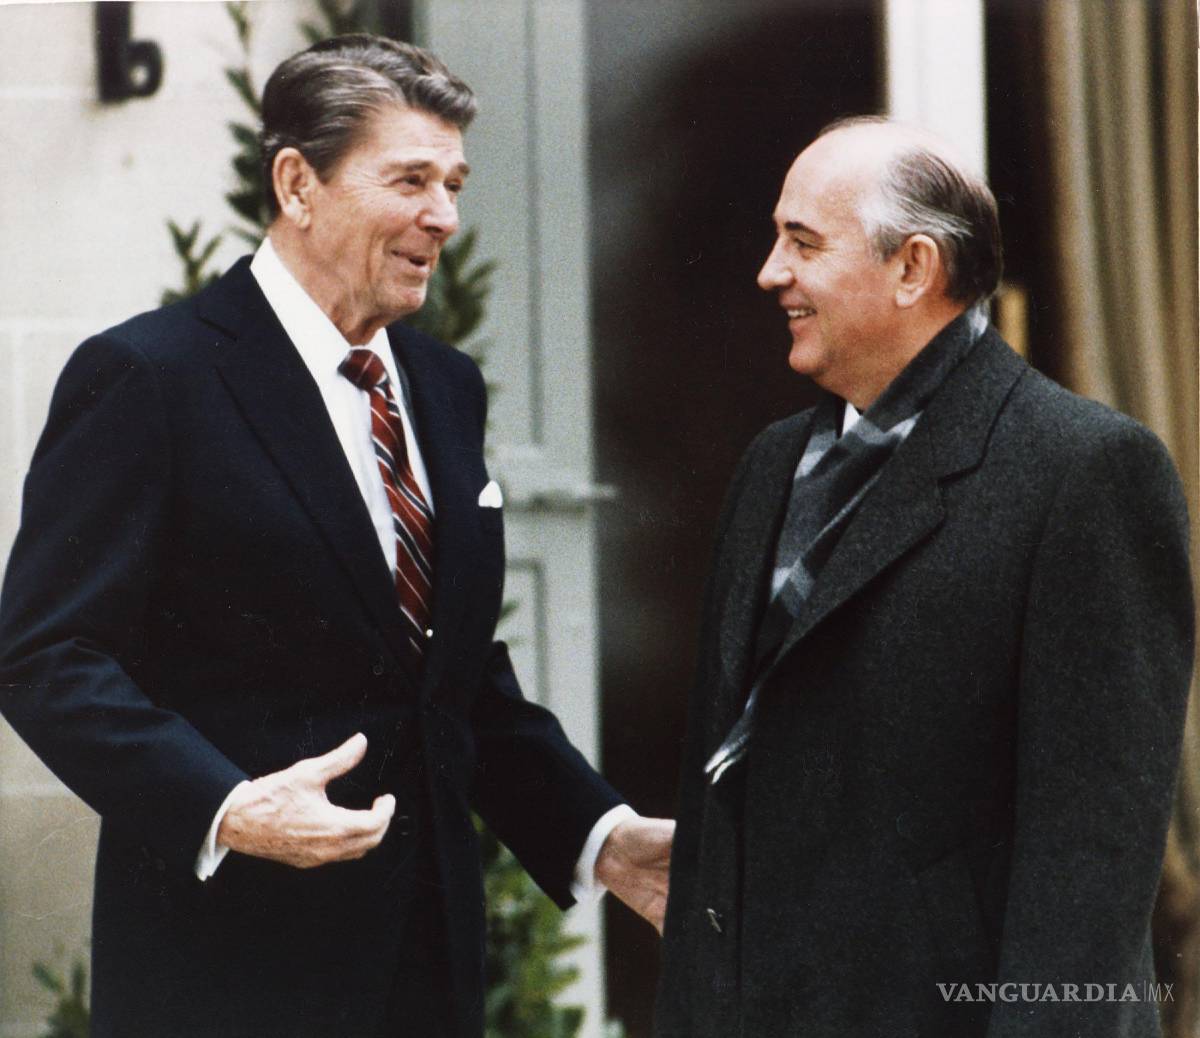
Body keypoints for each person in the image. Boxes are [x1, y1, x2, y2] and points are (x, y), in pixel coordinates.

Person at [0, 34, 671, 1038]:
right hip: (227, 972)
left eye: (452, 181)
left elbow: (445, 681)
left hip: (427, 969)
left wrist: (600, 836)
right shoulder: (153, 377)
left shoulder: (444, 387)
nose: (443, 216)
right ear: (297, 183)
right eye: (410, 179)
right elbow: (48, 655)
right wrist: (225, 806)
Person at [655, 116, 1193, 1038]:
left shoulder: (1087, 470)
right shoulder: (771, 465)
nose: (768, 272)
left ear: (914, 268)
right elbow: (721, 801)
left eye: (803, 242)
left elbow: (1090, 861)